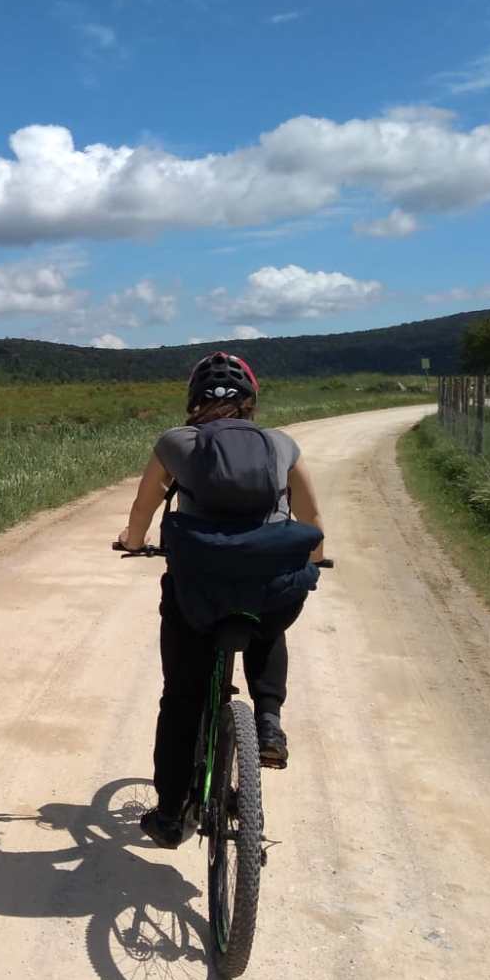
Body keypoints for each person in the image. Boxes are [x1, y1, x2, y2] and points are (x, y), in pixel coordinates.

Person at [115, 351, 326, 849]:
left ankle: (170, 815)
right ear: (251, 402)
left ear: (192, 401)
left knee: (182, 699)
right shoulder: (281, 443)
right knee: (267, 623)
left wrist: (133, 540)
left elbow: (143, 508)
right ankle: (269, 722)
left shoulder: (175, 443)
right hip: (268, 588)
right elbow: (312, 518)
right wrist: (314, 560)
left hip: (199, 591)